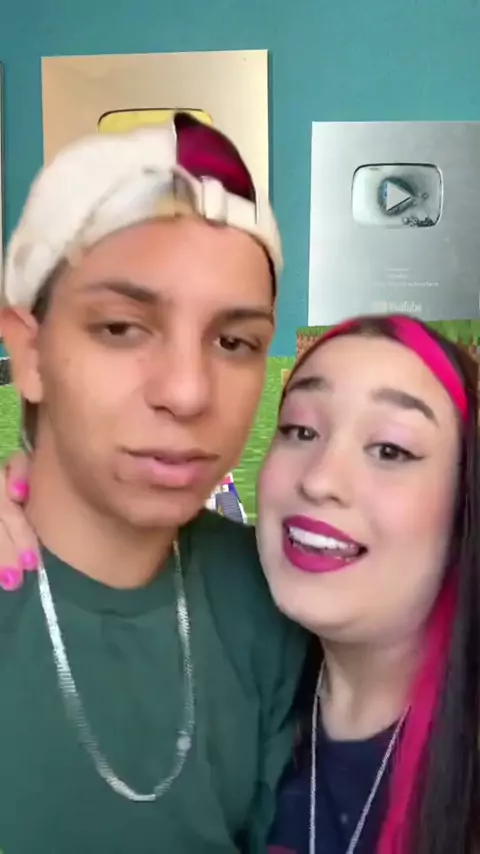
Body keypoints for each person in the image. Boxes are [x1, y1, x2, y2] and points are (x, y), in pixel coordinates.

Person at [0, 112, 306, 853]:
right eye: (121, 328)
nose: (188, 392)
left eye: (233, 341)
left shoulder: (278, 595)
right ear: (30, 354)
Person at [256, 315, 480, 854]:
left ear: (464, 503)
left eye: (390, 449)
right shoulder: (231, 694)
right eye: (301, 430)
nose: (320, 479)